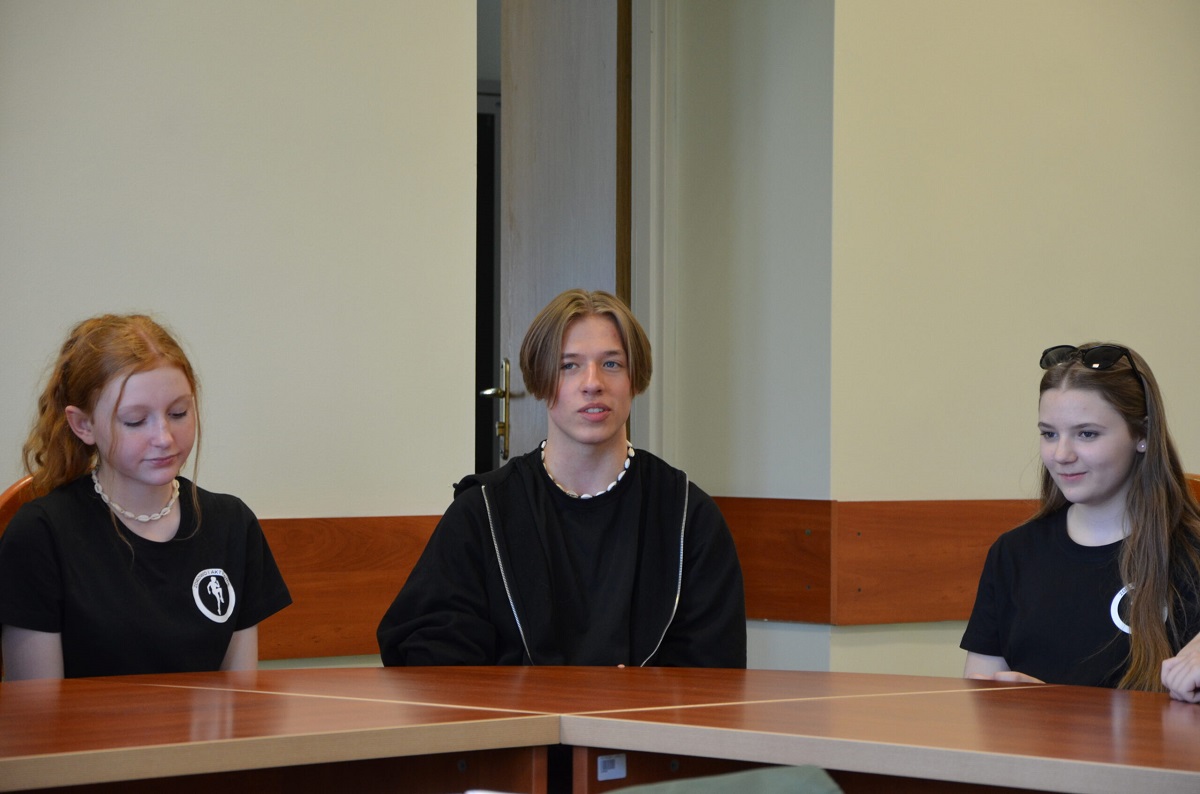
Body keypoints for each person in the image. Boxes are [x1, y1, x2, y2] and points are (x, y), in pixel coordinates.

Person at [378, 289, 746, 667]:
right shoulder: (482, 514)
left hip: (644, 710)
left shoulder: (688, 518)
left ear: (635, 380)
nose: (592, 383)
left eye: (612, 364)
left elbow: (715, 674)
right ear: (540, 380)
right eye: (569, 365)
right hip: (513, 709)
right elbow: (427, 657)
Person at [0, 314, 291, 679]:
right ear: (83, 425)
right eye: (135, 421)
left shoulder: (232, 524)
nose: (164, 438)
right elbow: (37, 706)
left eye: (179, 413)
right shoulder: (40, 534)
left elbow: (239, 690)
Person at [961, 343, 1200, 701]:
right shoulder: (1012, 554)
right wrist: (1039, 711)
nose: (1061, 455)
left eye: (1087, 434)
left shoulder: (1191, 552)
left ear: (1143, 435)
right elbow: (980, 699)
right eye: (1049, 434)